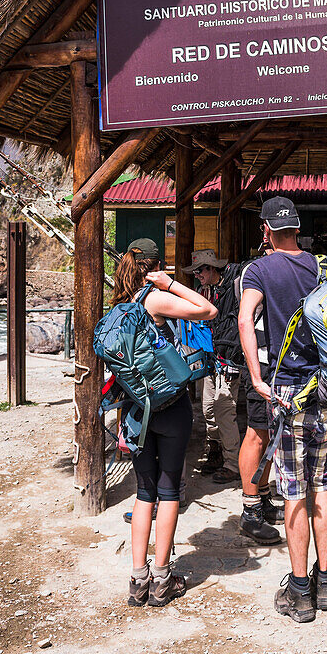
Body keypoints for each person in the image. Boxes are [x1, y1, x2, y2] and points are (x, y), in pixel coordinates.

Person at [238, 196, 327, 623]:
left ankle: (300, 592)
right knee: (325, 486)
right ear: (297, 228)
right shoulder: (326, 267)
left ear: (266, 231)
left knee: (294, 491)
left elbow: (245, 320)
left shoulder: (258, 270)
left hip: (286, 394)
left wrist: (258, 378)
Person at [113, 237, 217, 608]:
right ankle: (161, 578)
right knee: (169, 489)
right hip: (169, 406)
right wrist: (169, 283)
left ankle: (137, 580)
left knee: (144, 492)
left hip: (134, 409)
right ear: (154, 265)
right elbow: (207, 310)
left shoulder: (118, 303)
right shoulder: (153, 298)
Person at [236, 246, 285, 545]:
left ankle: (262, 497)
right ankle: (250, 510)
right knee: (256, 434)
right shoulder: (255, 273)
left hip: (277, 364)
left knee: (268, 435)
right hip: (262, 362)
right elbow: (247, 319)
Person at [184, 249, 242, 484]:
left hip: (228, 357)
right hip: (209, 357)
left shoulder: (233, 290)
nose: (197, 274)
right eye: (195, 271)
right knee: (208, 407)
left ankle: (233, 463)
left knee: (225, 409)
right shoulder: (202, 292)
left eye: (200, 270)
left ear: (212, 268)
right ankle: (216, 451)